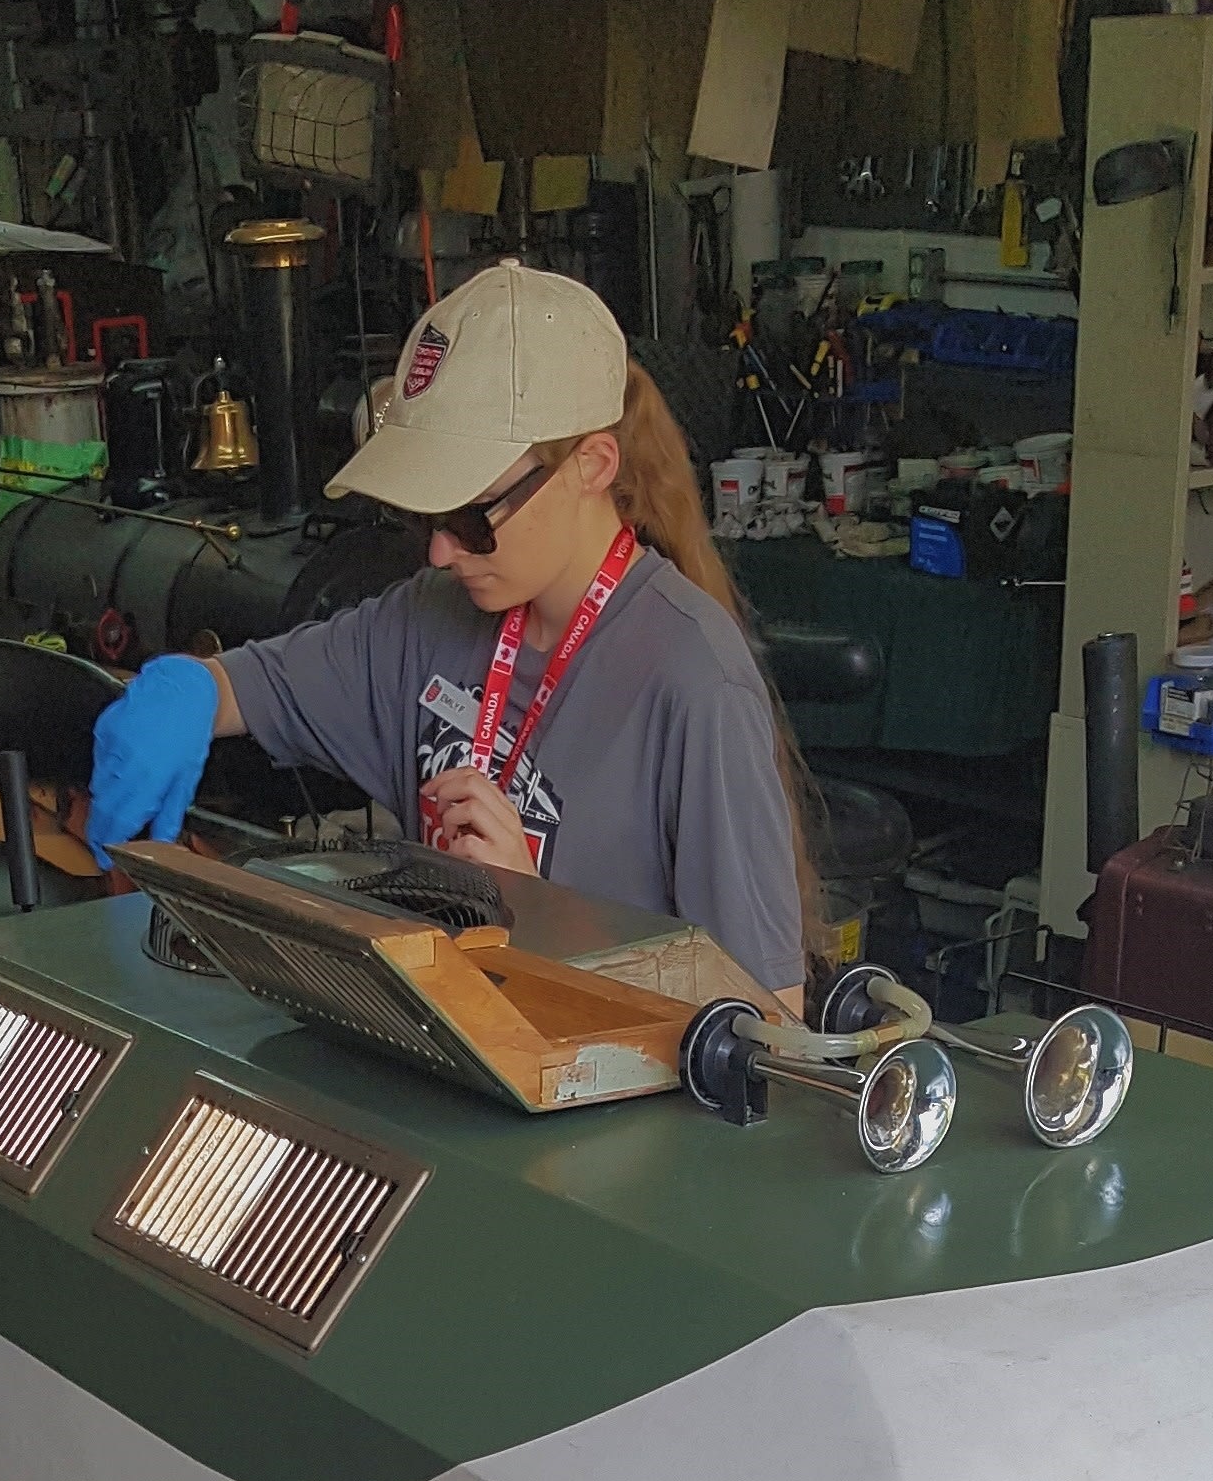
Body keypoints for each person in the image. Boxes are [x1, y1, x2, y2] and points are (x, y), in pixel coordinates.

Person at [83, 260, 813, 1004]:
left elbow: (769, 1023)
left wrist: (544, 919)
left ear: (590, 466)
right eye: (424, 519)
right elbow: (250, 686)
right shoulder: (428, 617)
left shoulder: (693, 683)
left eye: (470, 517)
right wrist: (184, 693)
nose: (440, 551)